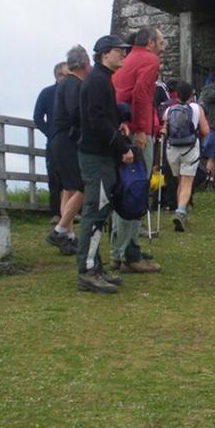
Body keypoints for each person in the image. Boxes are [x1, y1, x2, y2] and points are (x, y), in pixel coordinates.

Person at [75, 35, 135, 294]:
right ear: (104, 54)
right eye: (118, 51)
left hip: (99, 155)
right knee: (95, 212)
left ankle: (94, 266)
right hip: (96, 157)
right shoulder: (98, 82)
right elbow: (97, 122)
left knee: (99, 211)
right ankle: (88, 271)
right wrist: (122, 147)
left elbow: (102, 117)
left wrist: (119, 115)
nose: (123, 54)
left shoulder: (101, 80)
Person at [112, 27, 164, 272]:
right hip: (135, 131)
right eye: (162, 41)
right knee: (136, 188)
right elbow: (142, 94)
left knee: (122, 190)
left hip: (121, 129)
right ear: (151, 43)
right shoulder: (149, 59)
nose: (163, 45)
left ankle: (118, 250)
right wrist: (142, 129)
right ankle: (130, 254)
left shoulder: (126, 60)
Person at [45, 47, 87, 255]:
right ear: (86, 65)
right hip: (68, 140)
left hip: (58, 140)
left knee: (68, 188)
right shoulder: (74, 85)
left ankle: (68, 236)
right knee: (83, 185)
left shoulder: (63, 84)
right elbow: (76, 111)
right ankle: (60, 229)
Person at [163, 81, 209, 232]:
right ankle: (181, 211)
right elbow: (205, 130)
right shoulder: (196, 108)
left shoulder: (169, 110)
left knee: (180, 182)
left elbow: (164, 130)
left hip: (173, 150)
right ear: (191, 95)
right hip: (189, 148)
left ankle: (181, 212)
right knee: (187, 183)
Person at [33, 61, 67, 222]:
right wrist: (50, 133)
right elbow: (38, 117)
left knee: (73, 177)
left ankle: (71, 212)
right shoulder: (47, 93)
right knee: (54, 176)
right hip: (54, 141)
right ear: (56, 75)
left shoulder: (76, 91)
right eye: (63, 75)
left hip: (73, 141)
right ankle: (55, 213)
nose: (66, 78)